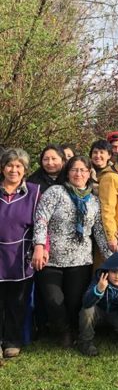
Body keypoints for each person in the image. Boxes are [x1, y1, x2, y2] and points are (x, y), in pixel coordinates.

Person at [32, 156, 111, 347]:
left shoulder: (93, 200)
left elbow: (98, 231)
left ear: (89, 173)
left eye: (83, 170)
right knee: (53, 301)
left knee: (75, 301)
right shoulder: (55, 192)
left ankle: (73, 331)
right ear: (67, 172)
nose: (79, 174)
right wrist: (39, 245)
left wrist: (111, 256)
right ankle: (63, 330)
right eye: (75, 170)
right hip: (51, 259)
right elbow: (41, 219)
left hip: (80, 260)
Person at [0, 149, 40, 359]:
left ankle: (12, 340)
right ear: (2, 168)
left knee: (17, 302)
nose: (13, 170)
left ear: (25, 170)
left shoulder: (33, 192)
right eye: (9, 165)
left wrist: (41, 247)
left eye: (18, 166)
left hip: (20, 256)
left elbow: (41, 224)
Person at [77, 251, 118, 356]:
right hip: (98, 313)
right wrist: (99, 290)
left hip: (114, 315)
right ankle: (85, 342)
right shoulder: (99, 280)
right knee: (87, 311)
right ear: (107, 271)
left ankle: (114, 332)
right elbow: (86, 302)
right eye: (114, 272)